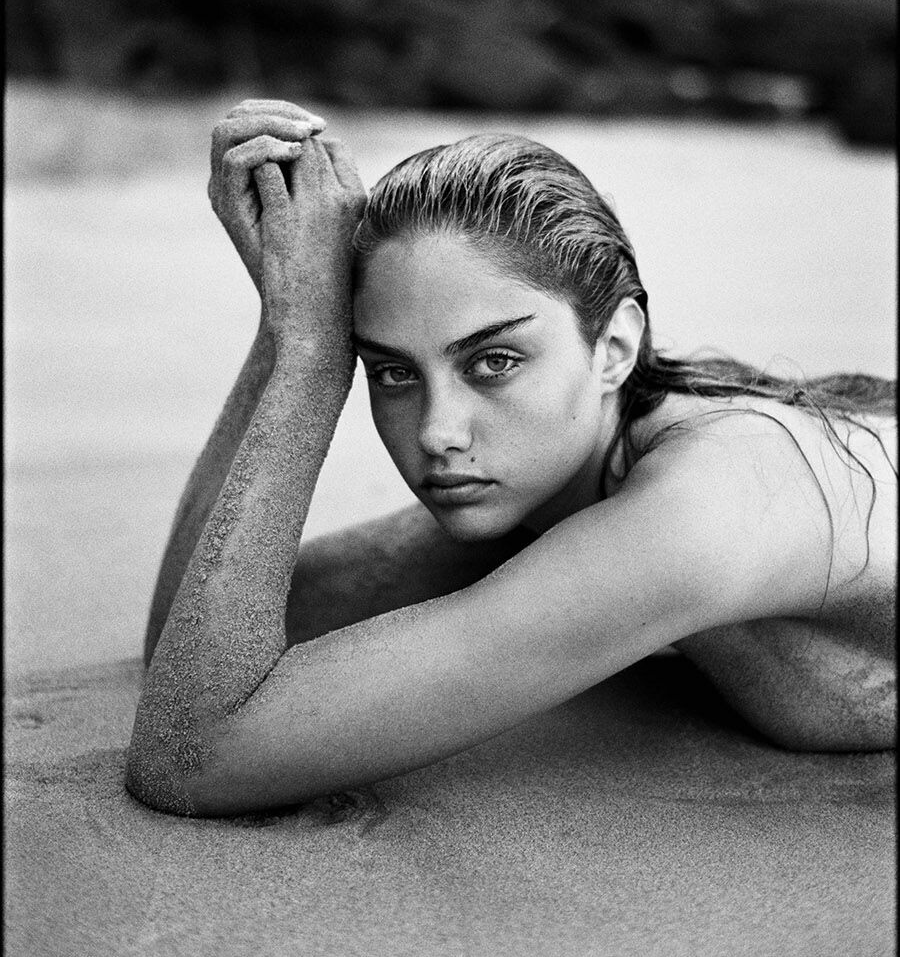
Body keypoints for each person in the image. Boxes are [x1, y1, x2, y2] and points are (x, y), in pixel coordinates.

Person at [125, 99, 897, 817]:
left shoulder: (704, 503)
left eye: (494, 362)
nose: (438, 433)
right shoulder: (551, 487)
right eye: (391, 372)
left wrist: (311, 361)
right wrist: (291, 329)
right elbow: (188, 645)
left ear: (615, 348)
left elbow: (193, 756)